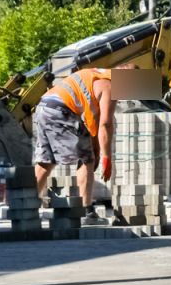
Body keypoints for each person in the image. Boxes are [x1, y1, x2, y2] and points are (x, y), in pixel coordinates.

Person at [33, 66, 114, 225]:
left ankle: (27, 207)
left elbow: (94, 122)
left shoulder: (95, 73)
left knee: (46, 161)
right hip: (62, 110)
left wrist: (96, 149)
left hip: (44, 106)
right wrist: (106, 157)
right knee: (86, 159)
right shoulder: (110, 85)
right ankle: (86, 212)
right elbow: (105, 124)